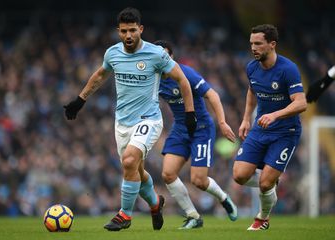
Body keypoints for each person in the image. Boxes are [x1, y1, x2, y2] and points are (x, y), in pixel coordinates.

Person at [63, 7, 197, 231]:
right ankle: (155, 204)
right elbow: (99, 76)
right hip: (122, 123)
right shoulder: (112, 53)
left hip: (149, 119)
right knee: (135, 170)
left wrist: (190, 113)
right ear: (118, 31)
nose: (128, 35)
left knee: (129, 161)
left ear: (141, 29)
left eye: (133, 30)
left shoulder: (156, 54)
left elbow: (182, 80)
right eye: (124, 31)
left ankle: (125, 214)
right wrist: (80, 100)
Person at [154, 40, 238, 229]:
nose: (162, 60)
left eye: (166, 56)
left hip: (201, 128)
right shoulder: (155, 79)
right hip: (180, 128)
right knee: (168, 174)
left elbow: (213, 95)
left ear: (172, 57)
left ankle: (223, 198)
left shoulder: (186, 73)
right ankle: (193, 216)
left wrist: (223, 122)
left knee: (198, 180)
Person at [233, 24, 307, 230]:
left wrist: (275, 114)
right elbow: (252, 91)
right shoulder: (251, 67)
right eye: (251, 44)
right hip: (260, 129)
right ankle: (271, 179)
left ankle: (262, 219)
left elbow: (301, 103)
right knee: (239, 176)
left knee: (264, 184)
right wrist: (246, 118)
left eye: (258, 43)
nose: (253, 48)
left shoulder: (287, 69)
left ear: (272, 45)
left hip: (285, 132)